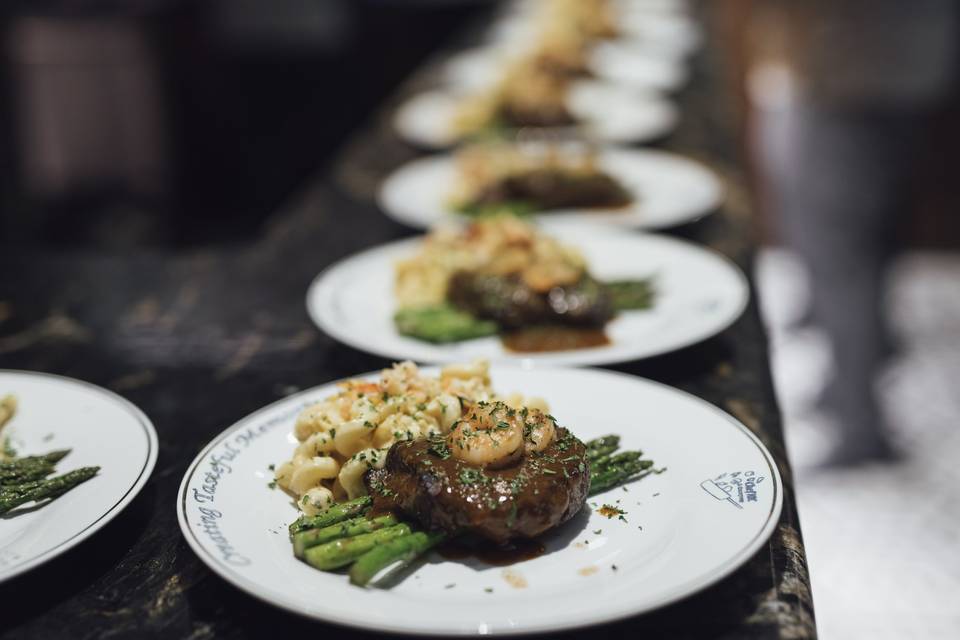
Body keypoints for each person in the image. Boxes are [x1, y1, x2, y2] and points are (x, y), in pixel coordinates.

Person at [749, 0, 958, 465]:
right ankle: (860, 368)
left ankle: (858, 420)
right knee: (871, 238)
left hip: (848, 65)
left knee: (840, 253)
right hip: (902, 59)